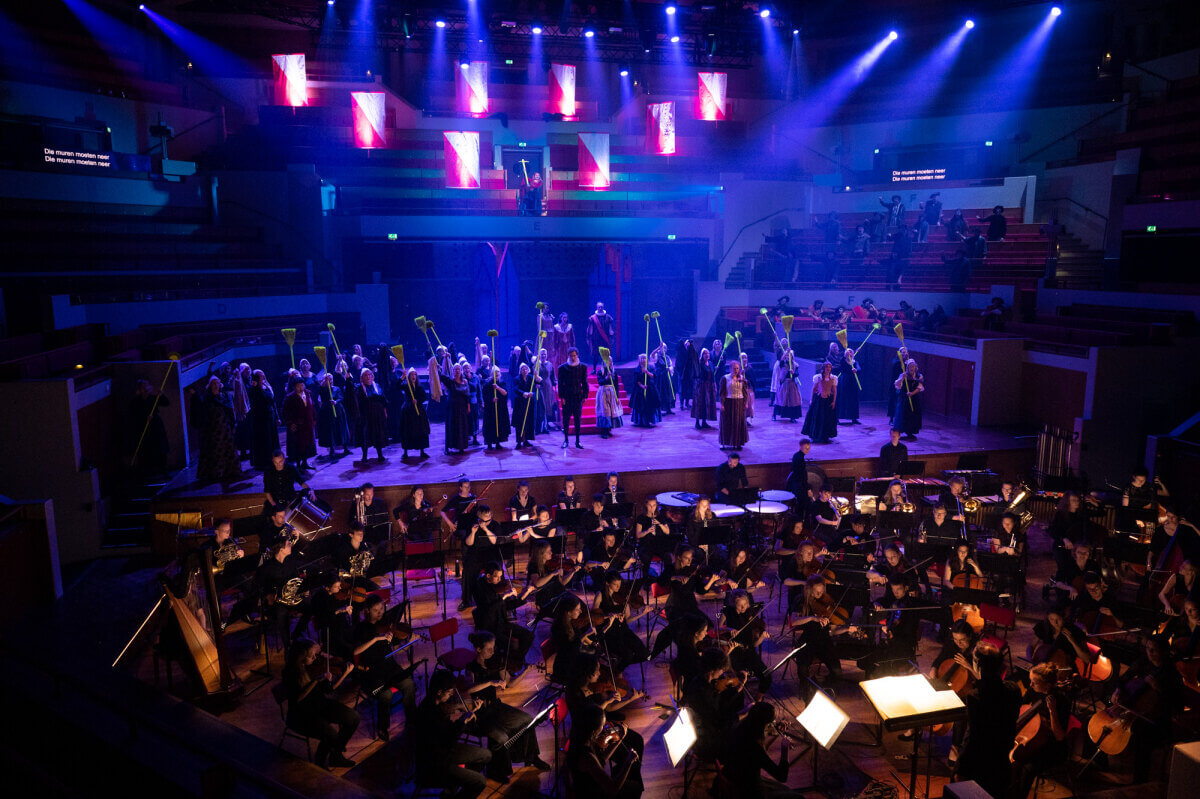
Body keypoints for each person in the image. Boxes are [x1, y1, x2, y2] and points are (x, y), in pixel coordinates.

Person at [463, 631, 550, 780]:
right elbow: (468, 688)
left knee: (527, 720)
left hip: (495, 707)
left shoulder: (497, 662)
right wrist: (490, 682)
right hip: (480, 713)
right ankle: (497, 771)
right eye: (489, 649)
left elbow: (510, 684)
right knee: (501, 737)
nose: (493, 651)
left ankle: (531, 757)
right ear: (478, 649)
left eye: (494, 648)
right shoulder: (471, 667)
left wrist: (526, 672)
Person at [954, 641, 1021, 798]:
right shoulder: (1013, 689)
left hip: (978, 766)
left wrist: (959, 767)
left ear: (977, 665)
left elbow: (973, 737)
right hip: (1002, 762)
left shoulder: (975, 696)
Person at [411, 669, 491, 799]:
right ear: (439, 692)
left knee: (486, 755)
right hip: (435, 763)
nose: (451, 695)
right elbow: (449, 740)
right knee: (480, 781)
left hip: (446, 751)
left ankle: (452, 788)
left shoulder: (436, 705)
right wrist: (462, 721)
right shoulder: (427, 714)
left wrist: (464, 717)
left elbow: (447, 732)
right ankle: (454, 784)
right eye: (449, 692)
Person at [280, 638, 359, 769]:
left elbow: (328, 689)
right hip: (301, 714)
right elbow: (298, 698)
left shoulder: (311, 667)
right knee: (331, 734)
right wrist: (316, 681)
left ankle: (336, 756)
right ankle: (320, 762)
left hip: (319, 704)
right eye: (311, 655)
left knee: (353, 718)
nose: (315, 658)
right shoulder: (290, 672)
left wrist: (342, 675)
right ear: (301, 656)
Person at [352, 593, 418, 739]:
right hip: (371, 674)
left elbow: (395, 649)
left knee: (409, 684)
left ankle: (412, 720)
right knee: (386, 694)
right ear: (368, 611)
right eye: (376, 610)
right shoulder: (361, 628)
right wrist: (376, 639)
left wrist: (408, 643)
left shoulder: (386, 625)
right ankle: (382, 727)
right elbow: (355, 651)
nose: (381, 613)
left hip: (389, 668)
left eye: (382, 609)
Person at [1011, 662, 1070, 799]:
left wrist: (1053, 711)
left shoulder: (1061, 701)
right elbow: (1022, 708)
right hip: (1032, 741)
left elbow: (1060, 736)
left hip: (1053, 747)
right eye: (1030, 681)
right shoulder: (1034, 691)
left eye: (1034, 682)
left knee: (1027, 768)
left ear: (1047, 685)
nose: (1030, 685)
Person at [723, 702, 801, 799]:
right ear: (764, 724)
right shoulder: (755, 748)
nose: (773, 723)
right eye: (772, 722)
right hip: (749, 791)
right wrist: (784, 749)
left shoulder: (741, 727)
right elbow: (781, 776)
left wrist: (776, 729)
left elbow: (761, 734)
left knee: (785, 790)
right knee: (797, 797)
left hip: (737, 777)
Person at [565, 703, 643, 799]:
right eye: (602, 725)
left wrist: (620, 739)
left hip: (584, 786)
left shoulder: (579, 738)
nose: (603, 728)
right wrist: (628, 761)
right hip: (591, 793)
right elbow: (613, 789)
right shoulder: (587, 756)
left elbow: (600, 760)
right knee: (636, 787)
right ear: (594, 731)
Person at [683, 648, 746, 761]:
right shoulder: (704, 694)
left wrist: (738, 689)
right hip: (708, 742)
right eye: (721, 669)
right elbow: (721, 723)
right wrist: (744, 714)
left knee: (737, 700)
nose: (723, 673)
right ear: (712, 671)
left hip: (702, 726)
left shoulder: (698, 680)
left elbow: (717, 701)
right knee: (744, 738)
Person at [471, 562, 534, 668]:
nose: (500, 580)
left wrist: (525, 594)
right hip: (489, 627)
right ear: (488, 576)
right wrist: (503, 597)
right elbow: (489, 610)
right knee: (511, 644)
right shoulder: (480, 589)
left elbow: (507, 606)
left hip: (502, 624)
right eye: (497, 577)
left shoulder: (498, 587)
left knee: (529, 636)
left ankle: (515, 662)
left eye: (501, 576)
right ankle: (509, 664)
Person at [787, 574, 844, 679]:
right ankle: (806, 692)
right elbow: (794, 621)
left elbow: (833, 631)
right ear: (809, 590)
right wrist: (812, 618)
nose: (820, 594)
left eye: (822, 591)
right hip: (808, 640)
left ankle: (823, 687)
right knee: (803, 669)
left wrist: (847, 628)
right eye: (816, 592)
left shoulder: (827, 600)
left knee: (837, 672)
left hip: (825, 641)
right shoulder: (801, 600)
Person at [718, 590, 772, 693]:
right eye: (740, 605)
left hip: (748, 651)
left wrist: (761, 637)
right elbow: (717, 629)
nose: (743, 608)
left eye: (745, 605)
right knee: (735, 680)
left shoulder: (751, 613)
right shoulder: (727, 611)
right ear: (734, 604)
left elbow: (754, 644)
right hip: (733, 651)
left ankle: (758, 699)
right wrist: (729, 629)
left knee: (767, 676)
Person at [194, 376, 241, 483]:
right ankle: (216, 473)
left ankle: (230, 471)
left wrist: (233, 425)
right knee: (215, 451)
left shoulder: (225, 396)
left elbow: (230, 412)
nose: (215, 385)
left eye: (217, 383)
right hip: (213, 430)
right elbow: (203, 415)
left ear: (220, 385)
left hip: (225, 428)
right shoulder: (207, 399)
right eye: (213, 383)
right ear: (210, 386)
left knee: (228, 449)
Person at [130, 378, 171, 477]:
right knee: (148, 451)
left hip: (156, 427)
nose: (147, 388)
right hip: (145, 429)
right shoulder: (136, 402)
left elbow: (166, 403)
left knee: (161, 450)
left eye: (147, 386)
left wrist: (162, 395)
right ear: (140, 389)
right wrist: (145, 418)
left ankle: (164, 471)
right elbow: (134, 415)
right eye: (144, 387)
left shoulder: (153, 398)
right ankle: (150, 473)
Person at [558, 347, 589, 449]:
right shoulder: (562, 368)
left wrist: (585, 395)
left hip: (577, 397)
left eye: (574, 355)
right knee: (566, 420)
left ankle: (577, 441)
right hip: (567, 397)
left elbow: (585, 382)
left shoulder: (582, 367)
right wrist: (561, 397)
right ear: (568, 356)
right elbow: (560, 384)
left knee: (577, 420)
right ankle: (566, 440)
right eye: (571, 355)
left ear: (577, 355)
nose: (573, 357)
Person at [801, 362, 838, 444]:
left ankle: (826, 436)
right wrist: (811, 399)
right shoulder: (818, 377)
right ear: (823, 368)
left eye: (829, 367)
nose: (828, 368)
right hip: (819, 400)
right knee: (818, 417)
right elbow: (814, 389)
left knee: (827, 418)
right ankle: (815, 435)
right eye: (826, 367)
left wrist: (834, 401)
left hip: (828, 400)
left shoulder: (833, 378)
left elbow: (834, 391)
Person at [356, 368, 388, 462]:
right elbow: (358, 402)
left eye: (370, 375)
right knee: (365, 435)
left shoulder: (377, 386)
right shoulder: (360, 388)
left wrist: (385, 411)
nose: (368, 377)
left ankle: (380, 454)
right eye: (366, 375)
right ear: (362, 378)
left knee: (378, 434)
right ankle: (364, 456)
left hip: (378, 414)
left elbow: (383, 400)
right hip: (366, 415)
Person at [478, 365, 509, 451]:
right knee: (490, 425)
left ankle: (498, 442)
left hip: (500, 408)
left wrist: (497, 388)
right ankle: (489, 443)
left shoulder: (502, 383)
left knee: (499, 425)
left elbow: (505, 393)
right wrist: (491, 399)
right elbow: (485, 395)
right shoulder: (487, 384)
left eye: (498, 373)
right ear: (492, 374)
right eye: (495, 373)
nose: (496, 374)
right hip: (490, 409)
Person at [891, 359, 923, 440]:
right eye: (910, 367)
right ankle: (901, 432)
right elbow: (897, 385)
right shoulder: (903, 375)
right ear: (907, 368)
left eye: (913, 366)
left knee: (913, 415)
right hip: (904, 399)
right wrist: (902, 379)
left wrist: (912, 393)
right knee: (903, 415)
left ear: (916, 367)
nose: (911, 368)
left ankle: (910, 433)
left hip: (913, 399)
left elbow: (919, 388)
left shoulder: (919, 376)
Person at [629, 354, 660, 427]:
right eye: (642, 358)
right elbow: (636, 380)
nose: (643, 360)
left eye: (645, 358)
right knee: (642, 406)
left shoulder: (650, 367)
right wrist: (642, 386)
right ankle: (642, 421)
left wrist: (647, 372)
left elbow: (653, 376)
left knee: (650, 405)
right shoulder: (637, 369)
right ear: (639, 360)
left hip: (650, 389)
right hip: (640, 389)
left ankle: (650, 420)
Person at [594, 362, 623, 438]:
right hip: (603, 392)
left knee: (611, 411)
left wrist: (617, 397)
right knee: (605, 411)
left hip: (612, 393)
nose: (608, 362)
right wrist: (606, 378)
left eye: (610, 361)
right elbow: (600, 382)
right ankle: (604, 431)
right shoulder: (600, 372)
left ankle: (608, 429)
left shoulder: (613, 371)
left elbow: (616, 385)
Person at [772, 351, 803, 422]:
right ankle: (774, 415)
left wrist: (793, 373)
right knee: (780, 400)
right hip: (784, 384)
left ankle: (792, 417)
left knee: (793, 400)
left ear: (792, 357)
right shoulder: (783, 364)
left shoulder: (795, 365)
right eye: (787, 356)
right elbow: (781, 360)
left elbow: (797, 374)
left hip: (792, 384)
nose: (788, 357)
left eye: (790, 355)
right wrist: (786, 352)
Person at [691, 348, 717, 429]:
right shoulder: (699, 364)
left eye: (708, 353)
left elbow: (713, 376)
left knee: (707, 404)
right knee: (700, 404)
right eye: (705, 353)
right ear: (702, 355)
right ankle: (697, 422)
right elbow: (695, 375)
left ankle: (704, 422)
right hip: (701, 386)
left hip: (709, 387)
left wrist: (714, 384)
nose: (707, 355)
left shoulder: (710, 363)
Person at [586, 303, 617, 367]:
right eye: (599, 307)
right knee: (595, 355)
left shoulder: (608, 317)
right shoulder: (592, 318)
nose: (600, 308)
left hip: (605, 339)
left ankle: (607, 369)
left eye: (601, 307)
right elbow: (589, 329)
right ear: (597, 308)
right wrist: (588, 338)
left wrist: (612, 338)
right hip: (596, 340)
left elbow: (611, 329)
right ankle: (594, 369)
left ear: (603, 307)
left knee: (606, 354)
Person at [835, 347, 860, 424]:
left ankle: (854, 418)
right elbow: (843, 368)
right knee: (842, 399)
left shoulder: (855, 362)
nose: (849, 353)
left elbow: (859, 368)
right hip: (844, 382)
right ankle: (838, 418)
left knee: (853, 400)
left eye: (851, 352)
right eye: (848, 352)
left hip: (853, 383)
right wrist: (850, 370)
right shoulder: (843, 361)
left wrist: (856, 370)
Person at [887, 222, 913, 286]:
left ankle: (899, 279)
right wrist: (888, 235)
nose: (902, 230)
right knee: (892, 268)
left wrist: (908, 254)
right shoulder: (897, 235)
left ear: (906, 229)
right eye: (901, 228)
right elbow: (890, 239)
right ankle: (892, 283)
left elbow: (910, 247)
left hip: (904, 255)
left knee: (903, 266)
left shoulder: (909, 237)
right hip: (896, 254)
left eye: (903, 228)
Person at [677, 338, 699, 409]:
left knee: (688, 389)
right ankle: (681, 404)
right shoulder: (681, 352)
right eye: (686, 343)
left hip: (689, 374)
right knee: (682, 389)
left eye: (688, 343)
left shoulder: (692, 352)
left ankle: (687, 403)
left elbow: (695, 361)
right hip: (682, 374)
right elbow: (679, 361)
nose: (687, 344)